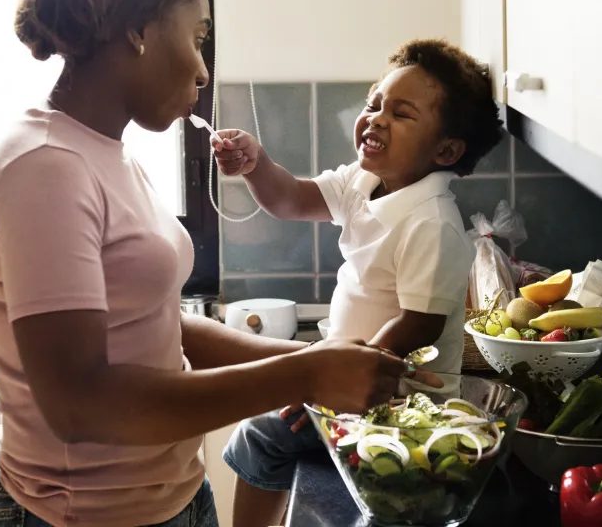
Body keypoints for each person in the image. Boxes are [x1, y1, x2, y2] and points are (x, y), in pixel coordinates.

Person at [0, 0, 416, 526]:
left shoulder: (106, 152)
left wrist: (315, 359)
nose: (202, 70)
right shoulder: (46, 167)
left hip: (171, 498)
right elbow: (79, 402)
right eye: (196, 36)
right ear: (137, 30)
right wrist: (305, 371)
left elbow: (155, 324)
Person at [213, 38, 505, 527]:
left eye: (402, 114)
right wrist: (256, 165)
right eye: (374, 105)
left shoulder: (431, 222)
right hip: (349, 378)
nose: (376, 119)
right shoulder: (362, 181)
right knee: (265, 431)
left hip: (397, 401)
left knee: (261, 435)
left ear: (446, 150)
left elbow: (417, 326)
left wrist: (328, 386)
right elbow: (291, 200)